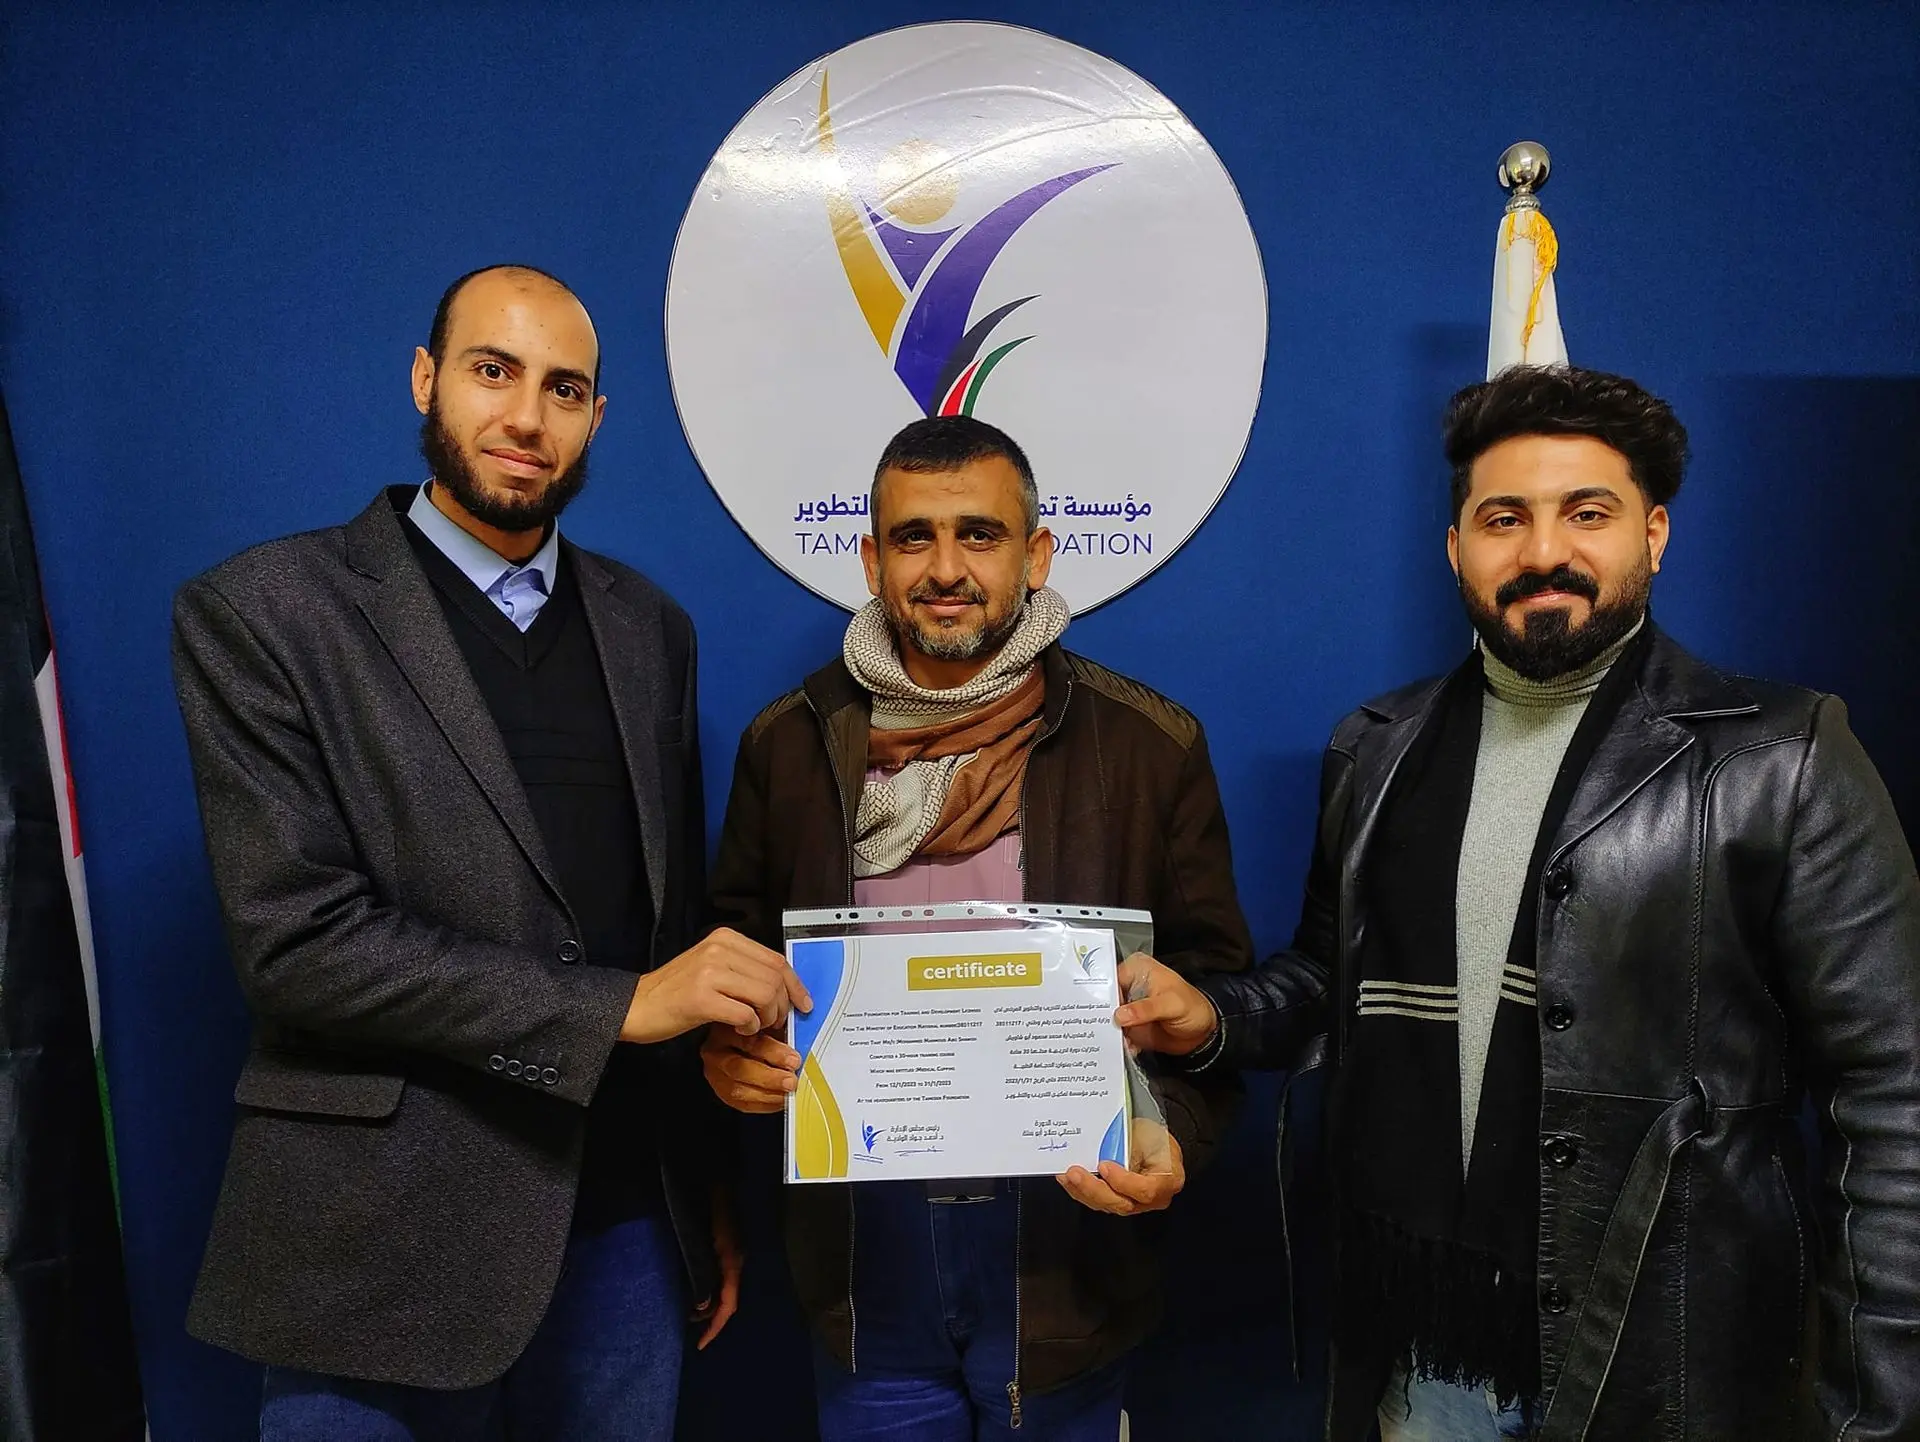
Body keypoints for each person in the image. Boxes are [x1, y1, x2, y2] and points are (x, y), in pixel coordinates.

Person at [1117, 365, 1920, 1441]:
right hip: (1429, 1357)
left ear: (1654, 534)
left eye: (1588, 513)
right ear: (1457, 547)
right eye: (1505, 519)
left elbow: (1893, 1096)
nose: (1544, 551)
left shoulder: (1780, 756)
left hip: (1672, 1357)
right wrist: (1211, 1018)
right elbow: (1329, 976)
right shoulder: (1376, 747)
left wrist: (1878, 1410)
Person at [172, 264, 807, 1441]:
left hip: (623, 1228)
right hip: (375, 1238)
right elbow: (299, 945)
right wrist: (620, 1005)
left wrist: (702, 1183)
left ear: (596, 417)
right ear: (426, 379)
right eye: (492, 370)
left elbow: (663, 925)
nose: (526, 416)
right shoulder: (267, 611)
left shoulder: (650, 628)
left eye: (563, 389)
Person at [700, 416, 1254, 1440]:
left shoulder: (1149, 746)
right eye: (913, 537)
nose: (946, 569)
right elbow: (732, 968)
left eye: (980, 535)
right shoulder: (788, 747)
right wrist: (727, 1054)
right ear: (871, 559)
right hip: (865, 1254)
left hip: (1064, 1247)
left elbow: (1217, 991)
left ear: (1035, 556)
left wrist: (1170, 1128)